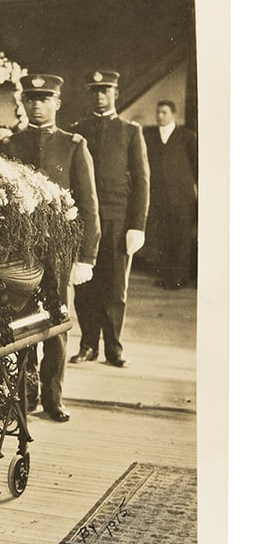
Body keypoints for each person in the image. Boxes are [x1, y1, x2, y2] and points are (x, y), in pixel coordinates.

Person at [0, 74, 101, 423]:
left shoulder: (74, 145)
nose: (36, 105)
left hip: (59, 252)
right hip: (22, 252)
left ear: (57, 103)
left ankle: (52, 397)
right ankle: (24, 396)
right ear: (23, 103)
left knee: (57, 322)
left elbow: (88, 206)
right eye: (30, 99)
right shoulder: (10, 145)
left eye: (44, 99)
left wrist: (86, 256)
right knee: (22, 321)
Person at [69, 69, 150, 368]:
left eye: (106, 90)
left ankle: (114, 347)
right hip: (86, 222)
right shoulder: (78, 131)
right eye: (95, 91)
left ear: (116, 93)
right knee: (85, 285)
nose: (100, 96)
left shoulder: (130, 131)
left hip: (117, 220)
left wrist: (137, 225)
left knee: (115, 286)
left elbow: (142, 181)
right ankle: (88, 344)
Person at [144, 100, 198, 289]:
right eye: (158, 112)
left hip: (182, 198)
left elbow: (196, 166)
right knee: (163, 238)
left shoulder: (187, 137)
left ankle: (180, 278)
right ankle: (167, 276)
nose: (159, 116)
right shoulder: (149, 137)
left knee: (181, 239)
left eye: (164, 113)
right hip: (159, 198)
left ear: (173, 114)